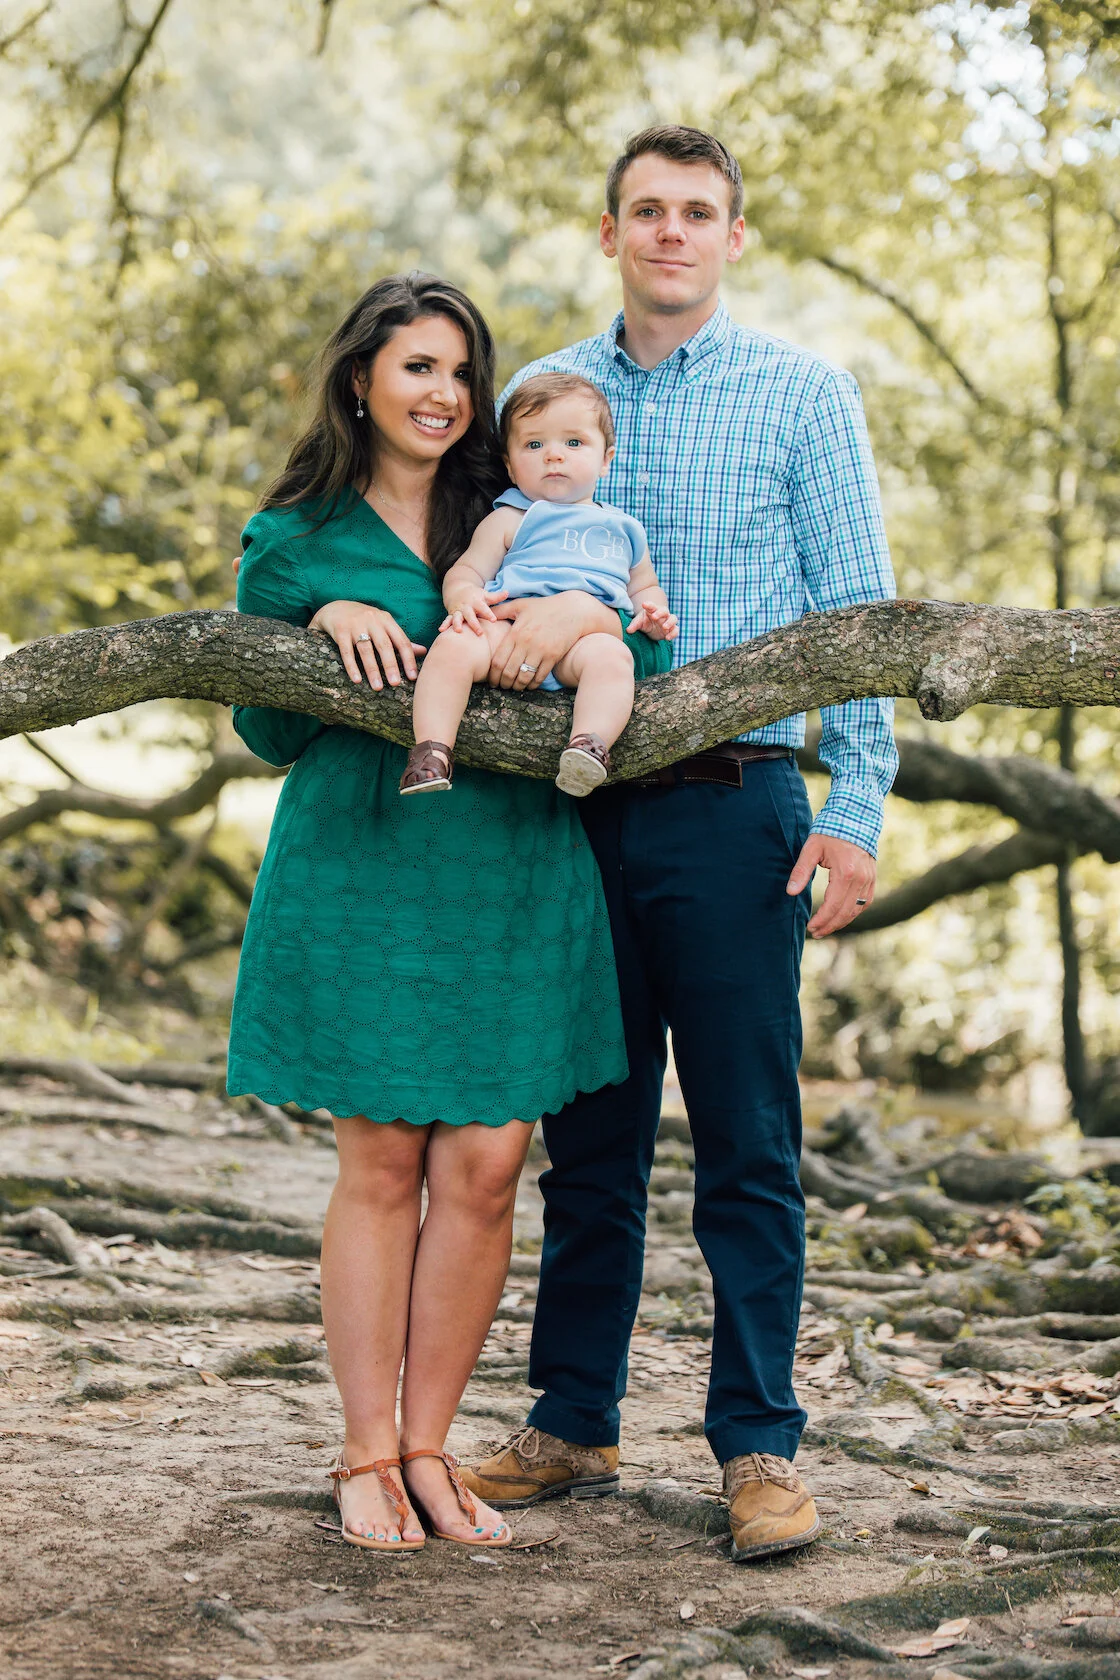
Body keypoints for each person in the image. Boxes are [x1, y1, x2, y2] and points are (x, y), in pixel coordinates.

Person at [460, 126, 899, 1563]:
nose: (670, 232)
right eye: (645, 209)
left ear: (733, 235)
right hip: (566, 806)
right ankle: (574, 1417)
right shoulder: (539, 397)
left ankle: (760, 1444)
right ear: (609, 234)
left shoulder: (801, 394)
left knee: (747, 1142)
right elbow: (464, 573)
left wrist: (853, 806)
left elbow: (860, 613)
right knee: (588, 1134)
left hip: (740, 803)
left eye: (696, 212)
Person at [225, 271, 670, 1554]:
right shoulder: (295, 531)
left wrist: (588, 610)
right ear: (361, 376)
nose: (443, 393)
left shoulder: (515, 501)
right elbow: (264, 730)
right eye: (417, 366)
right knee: (380, 1164)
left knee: (483, 1171)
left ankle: (432, 1445)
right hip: (369, 853)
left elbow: (614, 631)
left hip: (512, 864)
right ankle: (366, 1449)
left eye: (460, 370)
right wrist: (325, 617)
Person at [400, 371, 678, 799]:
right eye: (534, 444)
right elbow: (467, 571)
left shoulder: (624, 529)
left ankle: (589, 745)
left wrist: (653, 614)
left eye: (573, 443)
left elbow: (645, 588)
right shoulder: (512, 517)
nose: (553, 456)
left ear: (606, 458)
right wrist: (464, 598)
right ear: (509, 465)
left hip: (579, 646)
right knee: (454, 644)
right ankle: (432, 750)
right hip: (505, 632)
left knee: (612, 657)